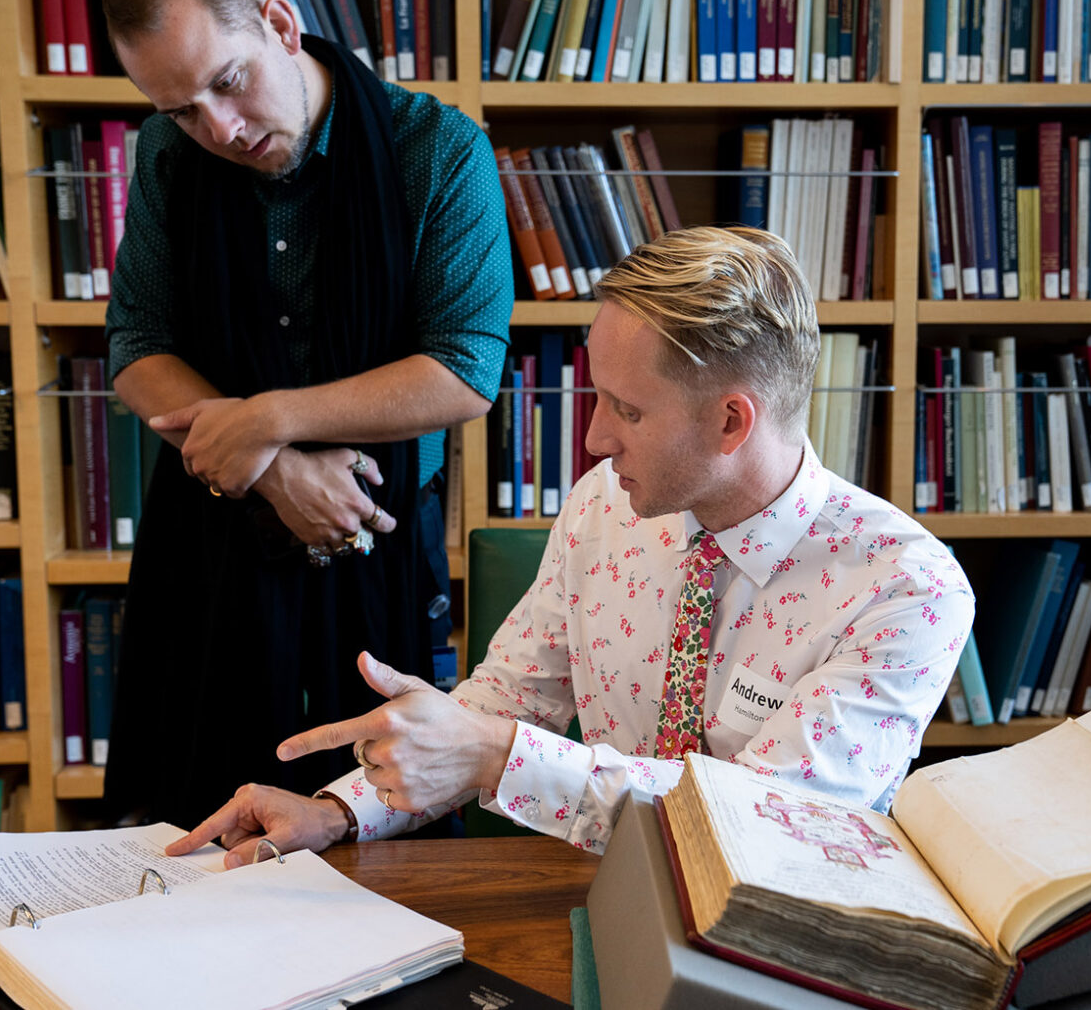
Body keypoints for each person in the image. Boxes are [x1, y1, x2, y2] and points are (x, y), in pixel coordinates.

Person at [167, 226, 974, 867]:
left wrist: (494, 756)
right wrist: (340, 811)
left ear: (731, 421)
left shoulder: (907, 589)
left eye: (627, 409)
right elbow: (512, 699)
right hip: (600, 905)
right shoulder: (603, 509)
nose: (592, 439)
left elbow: (765, 823)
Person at [97, 0, 512, 828]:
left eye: (227, 81)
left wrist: (269, 419)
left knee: (378, 822)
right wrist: (274, 468)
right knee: (196, 830)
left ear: (281, 24)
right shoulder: (168, 156)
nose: (218, 128)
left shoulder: (435, 148)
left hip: (378, 541)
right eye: (181, 108)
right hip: (210, 548)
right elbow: (137, 346)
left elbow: (465, 368)